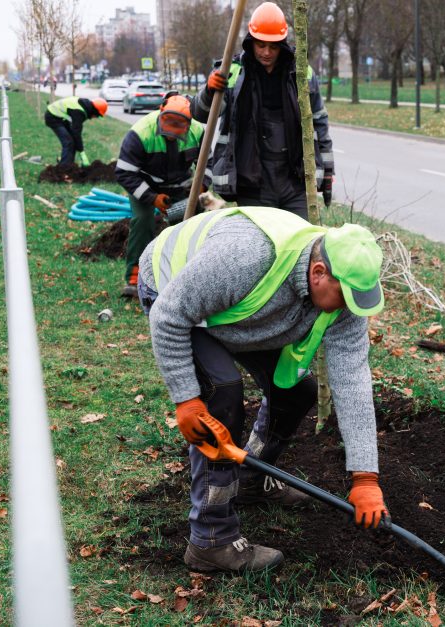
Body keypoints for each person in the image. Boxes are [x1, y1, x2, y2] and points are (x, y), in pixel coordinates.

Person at [137, 206, 388, 572]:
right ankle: (210, 539)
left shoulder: (341, 291)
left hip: (236, 310)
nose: (351, 308)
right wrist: (187, 399)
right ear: (318, 273)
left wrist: (365, 477)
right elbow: (169, 315)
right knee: (222, 393)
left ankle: (252, 478)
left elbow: (352, 378)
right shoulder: (245, 258)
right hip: (173, 291)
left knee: (296, 392)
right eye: (346, 296)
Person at [191, 1, 334, 218]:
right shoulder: (232, 72)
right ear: (251, 42)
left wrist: (328, 172)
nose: (267, 52)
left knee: (302, 241)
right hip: (252, 180)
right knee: (260, 244)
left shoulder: (301, 73)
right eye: (261, 45)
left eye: (274, 46)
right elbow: (200, 114)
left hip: (295, 180)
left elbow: (320, 122)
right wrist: (209, 91)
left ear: (282, 44)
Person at [115, 93, 208, 298]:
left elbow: (212, 163)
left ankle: (186, 273)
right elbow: (124, 172)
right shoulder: (140, 133)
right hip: (145, 185)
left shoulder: (199, 132)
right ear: (161, 114)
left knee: (189, 225)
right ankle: (134, 275)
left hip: (181, 185)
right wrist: (151, 198)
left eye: (178, 129)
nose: (171, 134)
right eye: (168, 127)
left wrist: (202, 186)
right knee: (143, 220)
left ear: (189, 123)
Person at [44, 96, 107, 167]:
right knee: (68, 142)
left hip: (62, 118)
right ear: (95, 111)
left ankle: (68, 164)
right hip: (53, 116)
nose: (95, 118)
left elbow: (75, 133)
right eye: (97, 116)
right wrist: (82, 153)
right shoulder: (79, 112)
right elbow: (76, 133)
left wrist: (80, 150)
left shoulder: (85, 106)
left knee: (72, 141)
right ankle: (63, 168)